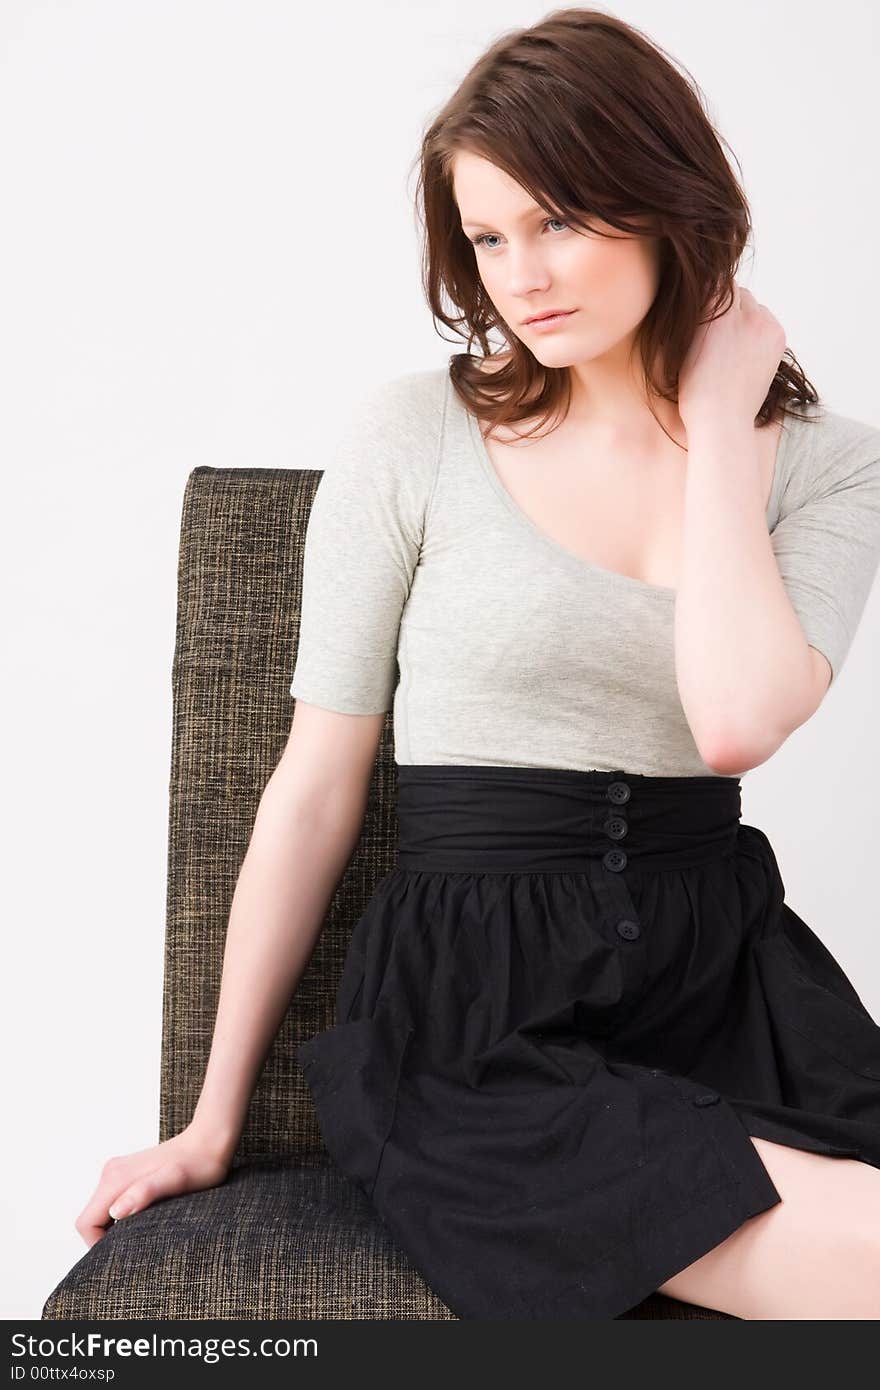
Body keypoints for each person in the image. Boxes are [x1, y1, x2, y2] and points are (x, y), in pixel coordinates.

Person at [76, 10, 880, 1319]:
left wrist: (726, 426)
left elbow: (734, 719)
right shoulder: (412, 436)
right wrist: (207, 1119)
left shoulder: (830, 465)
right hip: (474, 1017)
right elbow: (315, 785)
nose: (522, 274)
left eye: (558, 219)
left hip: (724, 979)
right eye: (488, 237)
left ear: (667, 199)